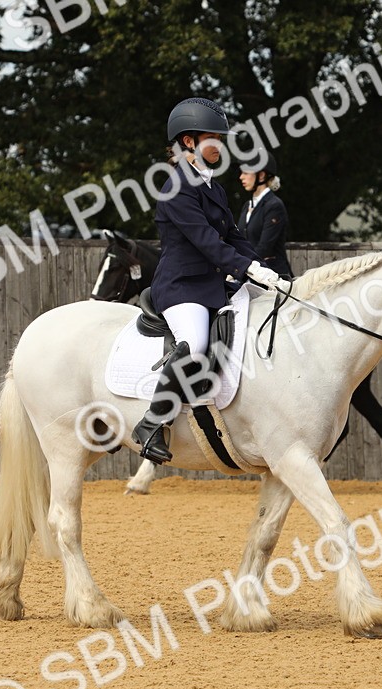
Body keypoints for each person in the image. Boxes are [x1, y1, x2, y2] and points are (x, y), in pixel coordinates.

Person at [131, 97, 288, 464]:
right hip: (183, 286)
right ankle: (152, 423)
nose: (219, 144)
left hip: (215, 286)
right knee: (195, 341)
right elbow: (205, 241)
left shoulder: (213, 188)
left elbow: (233, 237)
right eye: (212, 137)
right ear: (189, 142)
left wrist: (264, 271)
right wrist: (247, 269)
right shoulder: (174, 186)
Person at [239, 150, 292, 278]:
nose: (241, 177)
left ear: (261, 176)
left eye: (246, 173)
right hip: (251, 273)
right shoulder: (247, 206)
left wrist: (239, 265)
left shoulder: (274, 205)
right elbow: (240, 240)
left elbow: (264, 247)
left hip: (273, 277)